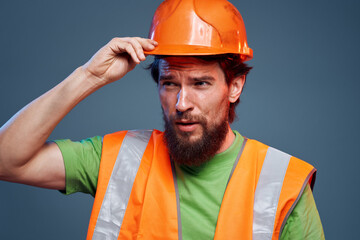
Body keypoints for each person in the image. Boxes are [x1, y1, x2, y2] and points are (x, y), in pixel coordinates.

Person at [0, 0, 324, 239]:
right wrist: (88, 76)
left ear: (235, 86)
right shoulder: (119, 159)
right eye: (170, 84)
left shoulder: (283, 183)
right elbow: (6, 160)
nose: (182, 104)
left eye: (200, 83)